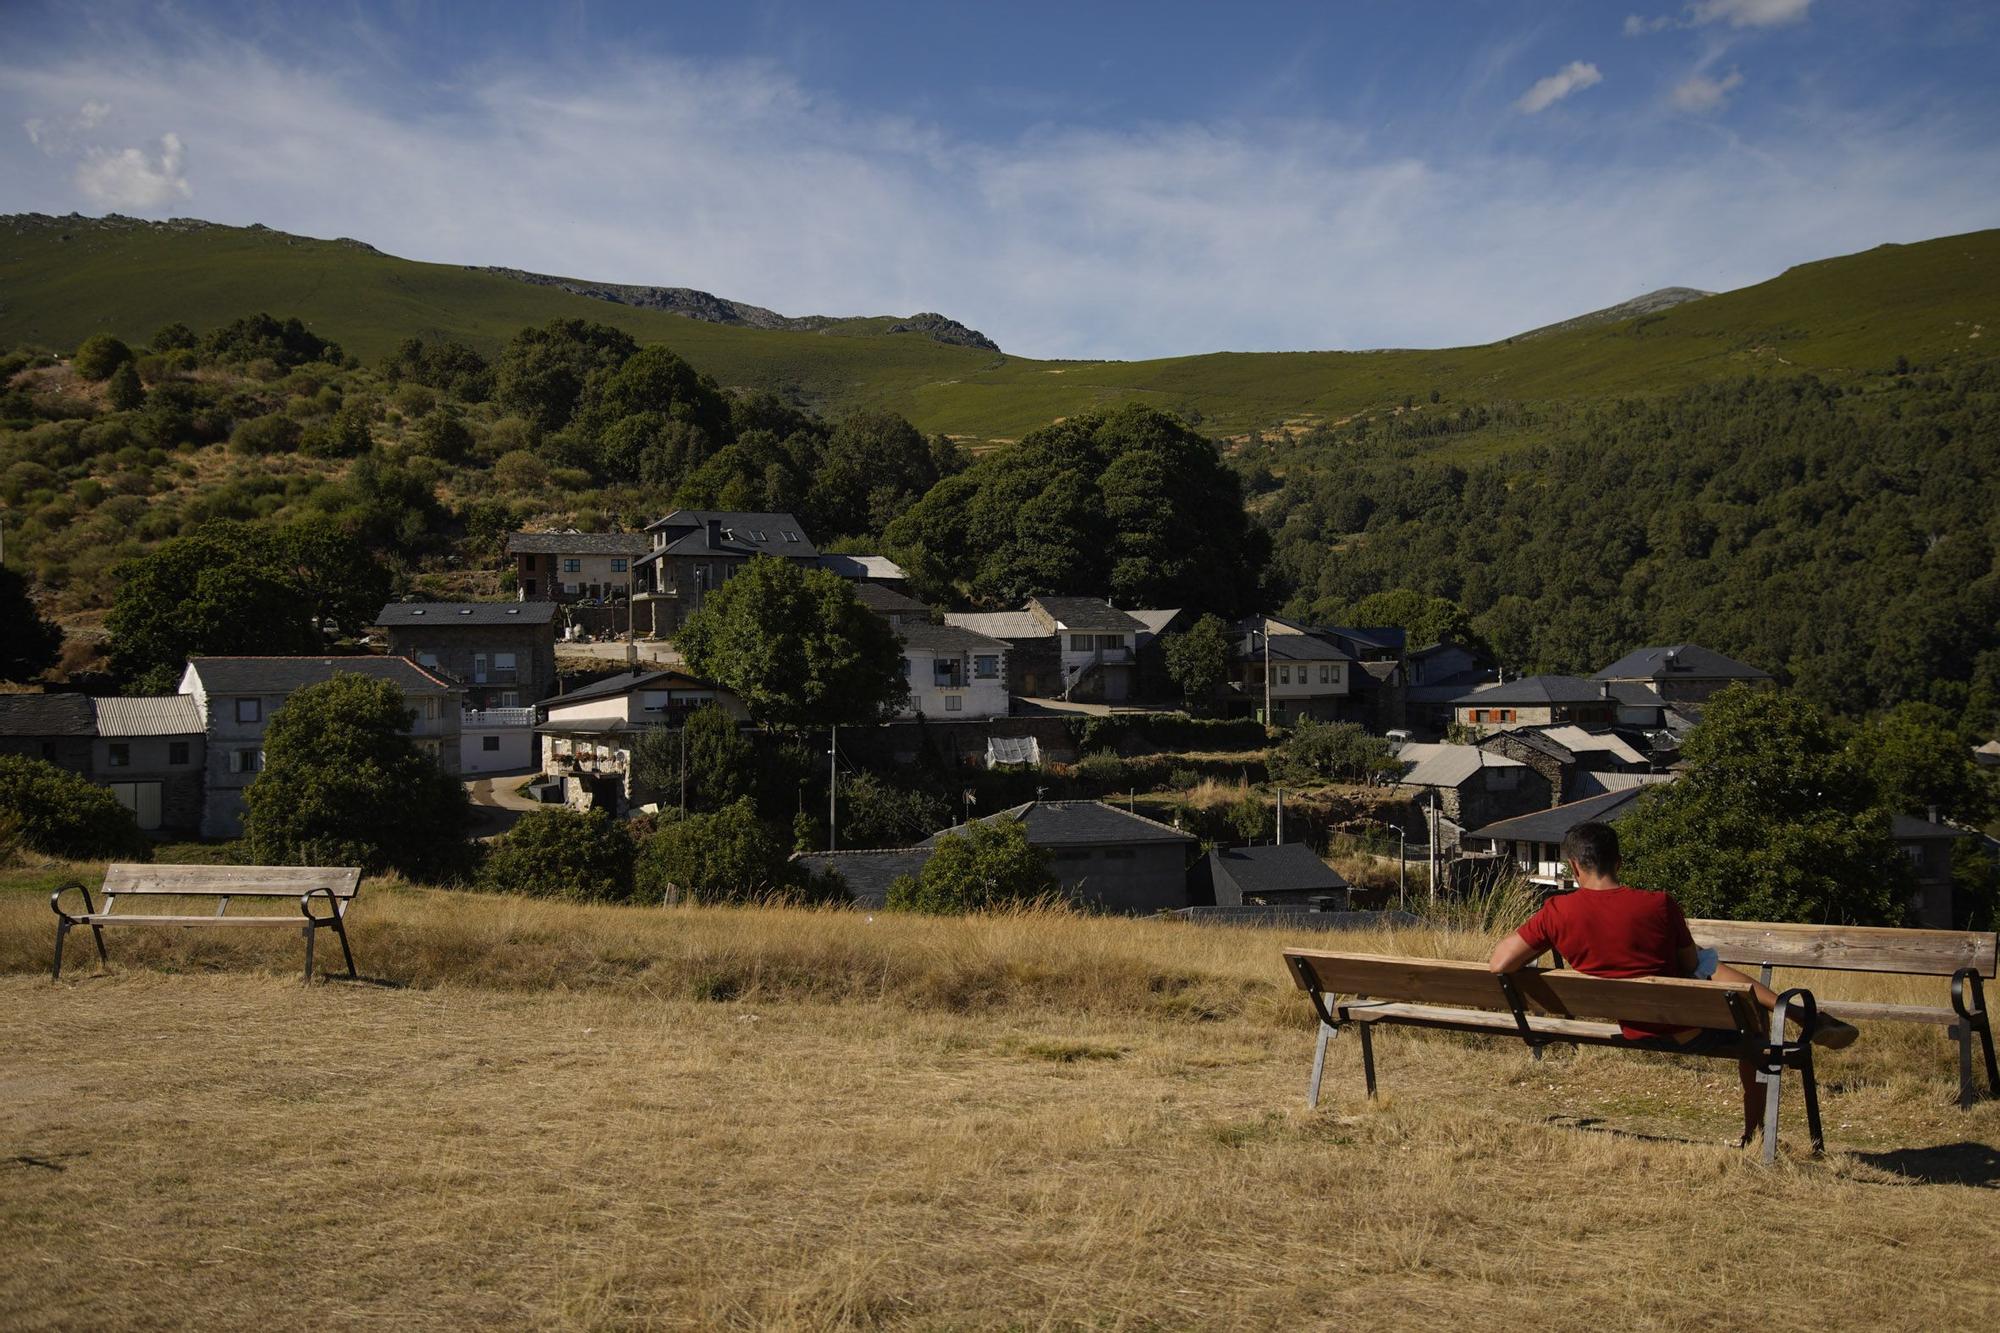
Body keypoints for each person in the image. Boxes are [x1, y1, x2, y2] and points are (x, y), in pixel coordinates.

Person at [1486, 820, 1858, 1147]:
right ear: (1618, 862)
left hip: (1627, 1025)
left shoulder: (1556, 911)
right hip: (1681, 1028)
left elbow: (1500, 963)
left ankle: (1795, 1016)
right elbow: (1692, 965)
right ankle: (1756, 1127)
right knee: (1754, 1026)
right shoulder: (1659, 905)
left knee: (1710, 972)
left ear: (1574, 866)